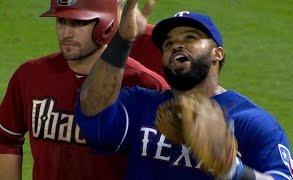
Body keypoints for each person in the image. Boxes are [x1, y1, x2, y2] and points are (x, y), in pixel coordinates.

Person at [75, 0, 293, 179]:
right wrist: (123, 41)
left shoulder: (252, 123)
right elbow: (92, 113)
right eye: (168, 44)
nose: (177, 45)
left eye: (190, 38)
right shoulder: (142, 105)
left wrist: (234, 171)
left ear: (217, 54)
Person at [0, 0, 169, 179]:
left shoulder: (146, 85)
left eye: (78, 23)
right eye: (61, 21)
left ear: (107, 24)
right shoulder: (30, 75)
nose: (66, 34)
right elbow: (6, 138)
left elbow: (169, 161)